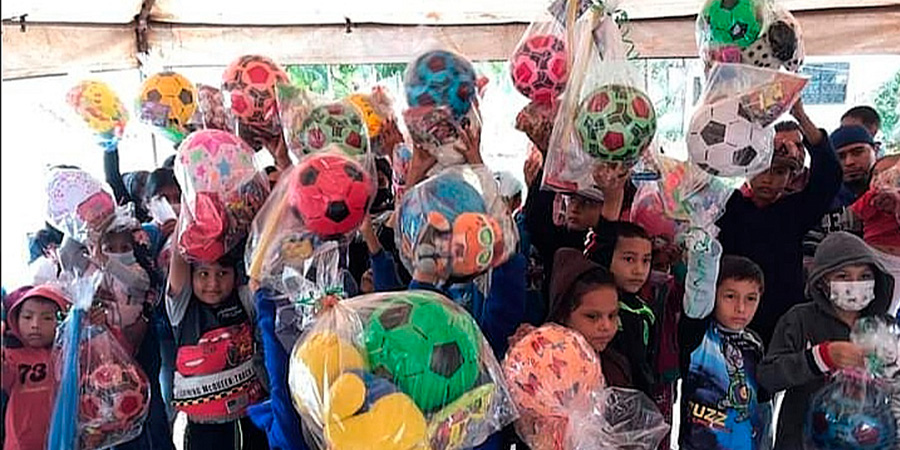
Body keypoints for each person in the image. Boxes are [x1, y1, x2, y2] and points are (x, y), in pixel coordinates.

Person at [717, 102, 842, 345]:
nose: (768, 179)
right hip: (730, 314)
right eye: (760, 169)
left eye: (778, 172)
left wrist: (800, 115)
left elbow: (830, 175)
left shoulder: (795, 211)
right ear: (746, 169)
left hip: (782, 319)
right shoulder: (726, 205)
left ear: (791, 176)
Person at [757, 231, 895, 450]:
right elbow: (769, 377)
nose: (854, 284)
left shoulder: (884, 327)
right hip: (800, 441)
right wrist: (821, 357)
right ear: (822, 281)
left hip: (871, 441)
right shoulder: (800, 320)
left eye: (864, 276)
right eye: (843, 276)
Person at [167, 246, 269, 449]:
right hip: (202, 428)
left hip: (247, 419)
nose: (213, 284)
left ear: (236, 274)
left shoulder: (244, 299)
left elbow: (261, 266)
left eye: (223, 273)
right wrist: (186, 228)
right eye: (203, 274)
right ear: (191, 275)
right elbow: (179, 257)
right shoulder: (181, 308)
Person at [679, 256, 772, 450]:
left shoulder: (754, 344)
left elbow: (763, 405)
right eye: (730, 296)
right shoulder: (699, 336)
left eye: (750, 298)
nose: (741, 308)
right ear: (713, 294)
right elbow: (696, 298)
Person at [545, 248, 631, 386]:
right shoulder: (542, 364)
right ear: (563, 315)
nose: (606, 326)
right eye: (592, 317)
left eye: (612, 316)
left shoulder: (616, 368)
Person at [1, 285, 70, 450]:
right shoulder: (12, 356)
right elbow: (4, 375)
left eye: (47, 318)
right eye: (27, 317)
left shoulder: (69, 353)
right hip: (21, 445)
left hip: (67, 441)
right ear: (16, 320)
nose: (35, 325)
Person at [850, 154, 900, 314]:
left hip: (897, 263)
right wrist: (873, 199)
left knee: (890, 306)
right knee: (867, 300)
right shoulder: (869, 196)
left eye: (889, 174)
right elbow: (857, 213)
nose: (880, 179)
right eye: (876, 175)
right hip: (872, 254)